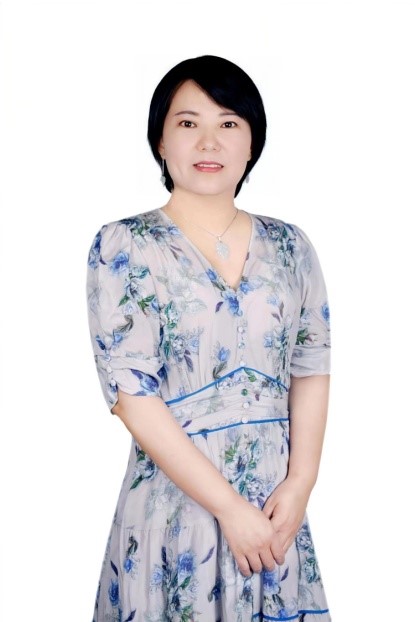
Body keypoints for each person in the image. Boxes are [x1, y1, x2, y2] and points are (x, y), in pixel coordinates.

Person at [86, 54, 332, 622]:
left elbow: (311, 365)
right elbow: (131, 394)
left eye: (228, 123)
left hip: (274, 513)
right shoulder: (125, 245)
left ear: (252, 144)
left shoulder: (291, 246)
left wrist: (301, 484)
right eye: (187, 122)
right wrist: (229, 509)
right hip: (176, 508)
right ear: (160, 141)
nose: (208, 141)